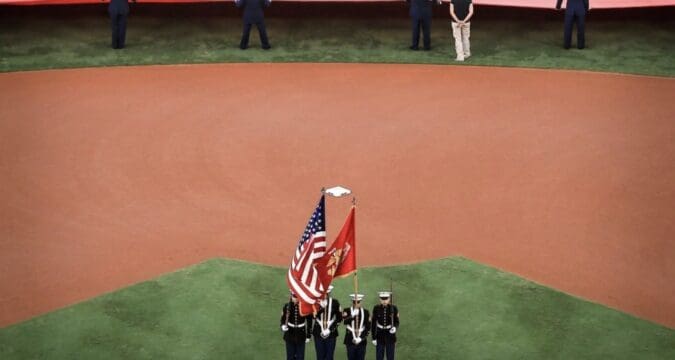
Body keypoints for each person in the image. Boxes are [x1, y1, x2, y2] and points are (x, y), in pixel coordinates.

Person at [312, 285, 342, 360]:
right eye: (322, 294)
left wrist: (330, 329)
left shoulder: (335, 303)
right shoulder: (315, 303)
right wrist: (321, 309)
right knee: (320, 356)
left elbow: (339, 318)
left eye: (326, 294)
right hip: (318, 332)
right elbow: (313, 317)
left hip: (331, 333)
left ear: (328, 294)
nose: (324, 296)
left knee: (329, 356)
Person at [280, 291, 312, 360]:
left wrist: (308, 335)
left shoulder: (304, 306)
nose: (296, 299)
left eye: (297, 297)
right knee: (290, 356)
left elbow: (309, 321)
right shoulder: (287, 306)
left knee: (300, 357)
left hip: (301, 334)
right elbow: (283, 319)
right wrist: (283, 326)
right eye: (294, 297)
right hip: (290, 334)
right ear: (291, 296)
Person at [371, 292, 400, 360]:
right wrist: (373, 338)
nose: (384, 301)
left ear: (389, 299)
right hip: (379, 335)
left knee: (390, 357)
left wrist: (395, 328)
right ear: (380, 299)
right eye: (382, 299)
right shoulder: (376, 308)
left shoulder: (394, 308)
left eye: (386, 299)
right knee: (379, 357)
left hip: (390, 335)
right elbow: (373, 324)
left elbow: (397, 321)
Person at [342, 294, 370, 360]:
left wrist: (361, 338)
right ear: (352, 302)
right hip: (350, 339)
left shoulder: (366, 312)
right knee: (351, 358)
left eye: (358, 302)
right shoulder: (347, 310)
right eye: (354, 302)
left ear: (361, 302)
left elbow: (368, 327)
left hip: (361, 341)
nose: (356, 304)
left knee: (361, 358)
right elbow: (344, 322)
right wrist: (352, 316)